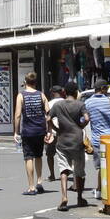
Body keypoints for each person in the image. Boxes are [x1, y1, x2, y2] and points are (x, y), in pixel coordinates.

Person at [48, 82, 90, 211]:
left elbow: (48, 118)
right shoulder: (80, 104)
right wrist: (80, 127)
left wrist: (56, 129)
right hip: (77, 140)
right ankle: (79, 197)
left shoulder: (58, 105)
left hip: (62, 140)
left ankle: (64, 197)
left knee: (63, 169)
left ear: (64, 92)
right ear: (76, 92)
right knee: (79, 171)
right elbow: (87, 119)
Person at [83, 80, 110, 200]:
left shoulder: (88, 102)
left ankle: (100, 189)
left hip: (96, 140)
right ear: (103, 89)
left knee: (101, 167)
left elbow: (84, 119)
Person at [13, 72, 49, 195]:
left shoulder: (21, 96)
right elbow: (48, 114)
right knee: (39, 156)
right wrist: (49, 131)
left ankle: (31, 187)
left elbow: (18, 115)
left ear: (25, 82)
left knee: (29, 157)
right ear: (35, 82)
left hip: (28, 131)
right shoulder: (42, 95)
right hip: (40, 130)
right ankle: (39, 181)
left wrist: (16, 132)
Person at [44, 86, 64, 181]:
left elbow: (47, 119)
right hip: (65, 132)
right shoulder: (66, 102)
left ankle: (52, 175)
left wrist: (48, 130)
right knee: (64, 155)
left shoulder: (49, 103)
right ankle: (64, 173)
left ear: (52, 93)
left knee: (50, 154)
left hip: (53, 132)